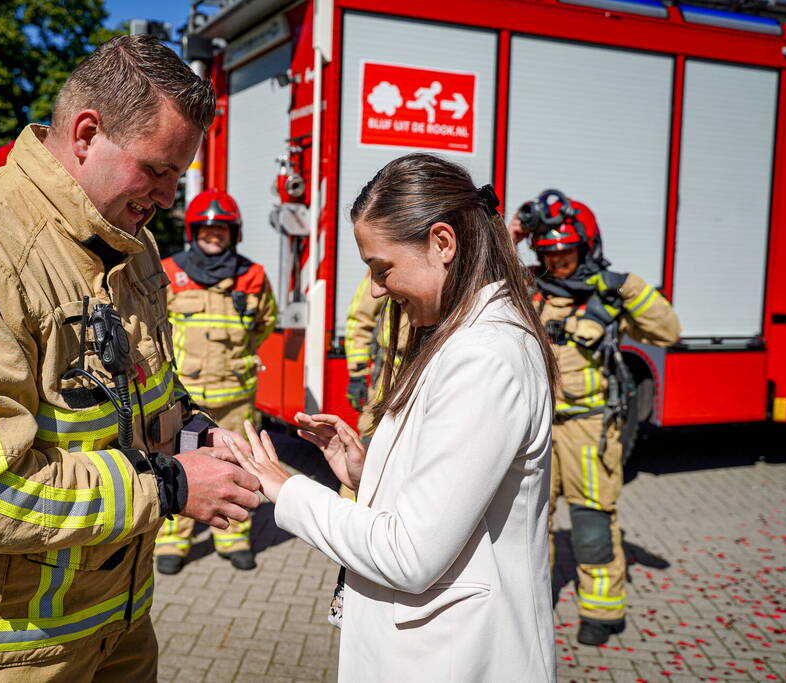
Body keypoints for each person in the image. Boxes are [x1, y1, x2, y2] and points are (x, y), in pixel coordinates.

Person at [0, 35, 262, 681]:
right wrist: (171, 484)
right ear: (86, 134)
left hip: (112, 624)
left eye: (178, 176)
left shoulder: (128, 242)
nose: (167, 197)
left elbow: (145, 386)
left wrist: (195, 433)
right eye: (156, 169)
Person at [225, 153, 558, 682]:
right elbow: (453, 492)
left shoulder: (483, 357)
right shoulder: (461, 338)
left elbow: (409, 554)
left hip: (456, 659)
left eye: (383, 269)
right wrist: (369, 472)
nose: (377, 288)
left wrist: (286, 488)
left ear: (442, 243)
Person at [511, 190, 680, 646]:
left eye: (566, 254)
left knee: (591, 524)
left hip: (588, 428)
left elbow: (668, 331)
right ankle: (529, 607)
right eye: (549, 254)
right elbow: (476, 276)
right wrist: (513, 234)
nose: (558, 263)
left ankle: (601, 613)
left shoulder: (610, 292)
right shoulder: (526, 286)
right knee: (528, 522)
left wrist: (625, 286)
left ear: (586, 249)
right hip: (532, 428)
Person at [154, 189, 277, 573]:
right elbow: (154, 325)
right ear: (193, 233)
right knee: (177, 464)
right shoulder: (169, 271)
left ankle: (232, 537)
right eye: (206, 231)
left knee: (239, 464)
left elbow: (265, 322)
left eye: (221, 231)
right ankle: (173, 540)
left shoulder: (253, 276)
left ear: (233, 234)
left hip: (235, 396)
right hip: (183, 399)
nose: (213, 237)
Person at [344, 272, 408, 440]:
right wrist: (357, 375)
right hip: (392, 371)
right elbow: (359, 320)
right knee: (372, 431)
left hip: (433, 362)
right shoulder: (384, 265)